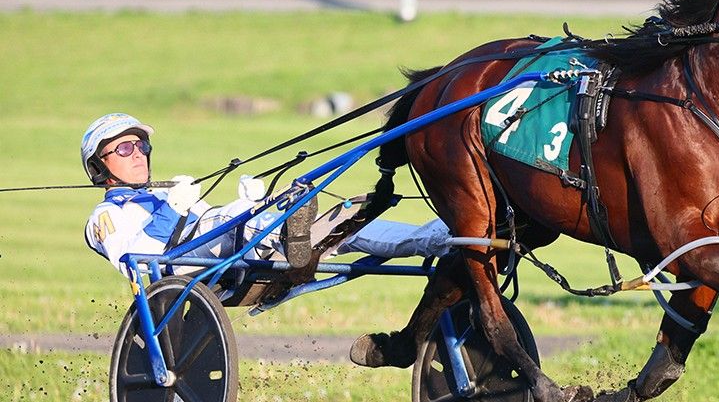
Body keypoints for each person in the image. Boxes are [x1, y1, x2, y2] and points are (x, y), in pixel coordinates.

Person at [82, 113, 451, 277]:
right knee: (231, 217)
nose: (139, 155)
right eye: (124, 149)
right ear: (99, 167)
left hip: (225, 250)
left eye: (141, 146)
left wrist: (255, 204)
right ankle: (284, 230)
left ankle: (442, 239)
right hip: (182, 270)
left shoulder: (166, 193)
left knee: (347, 223)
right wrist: (174, 210)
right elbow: (133, 261)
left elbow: (209, 222)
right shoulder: (104, 218)